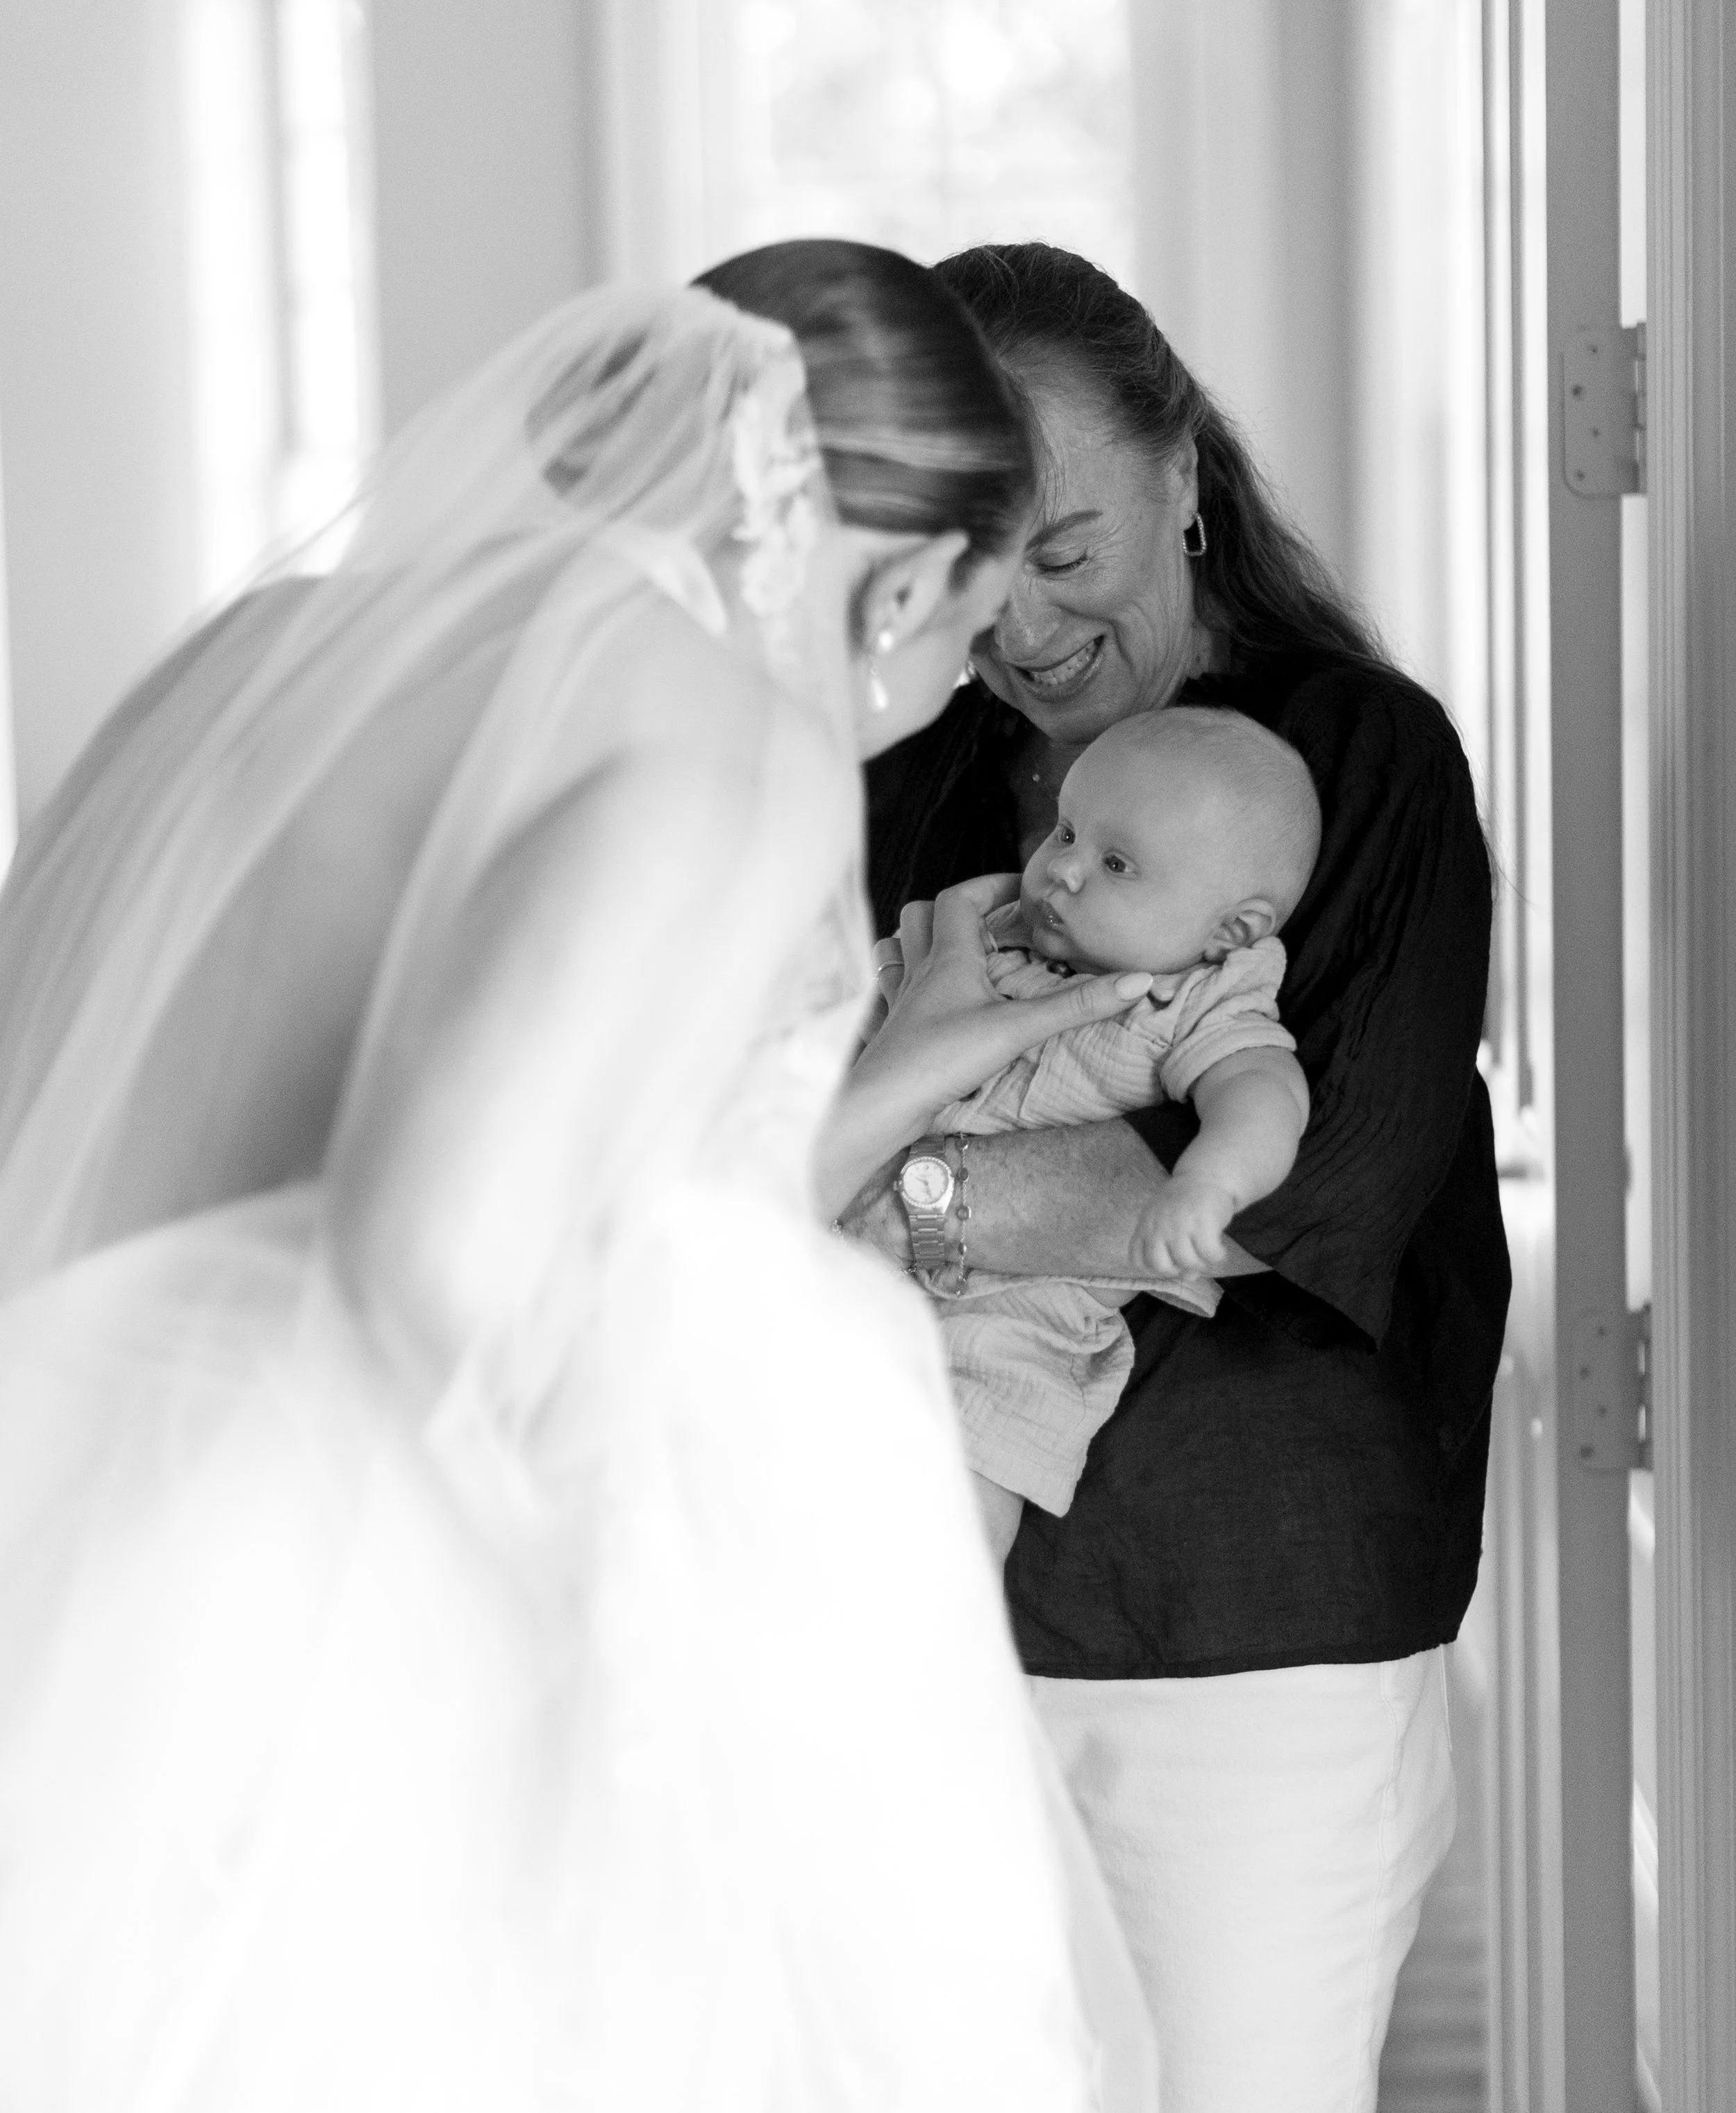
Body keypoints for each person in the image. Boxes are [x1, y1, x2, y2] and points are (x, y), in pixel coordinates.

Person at [0, 246, 1157, 2111]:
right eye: (966, 627)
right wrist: (616, 1643)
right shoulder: (728, 733)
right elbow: (434, 1252)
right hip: (370, 1599)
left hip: (77, 1531)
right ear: (906, 583)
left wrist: (906, 1066)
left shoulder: (263, 651)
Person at [855, 242, 1512, 2113]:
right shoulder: (910, 782)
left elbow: (1321, 1180)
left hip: (1248, 1626)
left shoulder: (1353, 757)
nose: (1022, 623)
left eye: (1065, 548)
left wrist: (917, 1203)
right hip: (923, 1608)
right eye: (972, 568)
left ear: (1183, 474)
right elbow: (764, 1107)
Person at [882, 705, 1318, 1564]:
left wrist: (1208, 1182)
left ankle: (930, 1625)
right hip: (855, 1265)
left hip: (1017, 1311)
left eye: (1116, 864)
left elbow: (1264, 1092)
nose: (1063, 870)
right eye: (1066, 831)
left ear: (1229, 931)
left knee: (965, 1483)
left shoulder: (1196, 1001)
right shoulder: (988, 942)